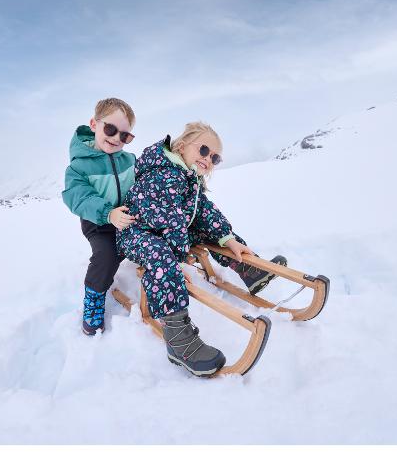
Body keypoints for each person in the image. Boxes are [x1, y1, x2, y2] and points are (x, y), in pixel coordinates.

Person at [116, 122, 286, 377]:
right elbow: (169, 220)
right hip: (137, 233)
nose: (208, 159)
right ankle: (178, 339)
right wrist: (177, 262)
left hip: (167, 230)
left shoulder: (189, 177)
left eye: (215, 157)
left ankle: (249, 270)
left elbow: (205, 212)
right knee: (162, 258)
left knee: (212, 230)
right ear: (182, 146)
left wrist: (228, 239)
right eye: (204, 150)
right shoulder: (163, 173)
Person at [62, 98, 137, 335]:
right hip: (98, 222)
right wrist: (107, 213)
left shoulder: (130, 161)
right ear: (94, 124)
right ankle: (94, 298)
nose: (116, 138)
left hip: (126, 217)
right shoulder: (79, 166)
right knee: (107, 254)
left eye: (124, 136)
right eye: (111, 129)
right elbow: (78, 197)